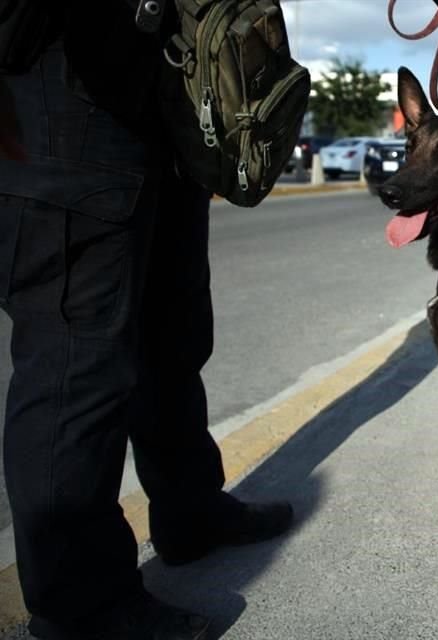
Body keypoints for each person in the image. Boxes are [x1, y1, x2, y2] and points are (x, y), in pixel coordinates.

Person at [0, 5, 294, 639]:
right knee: (75, 363)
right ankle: (82, 609)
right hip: (65, 90)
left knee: (174, 332)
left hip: (159, 100)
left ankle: (191, 513)